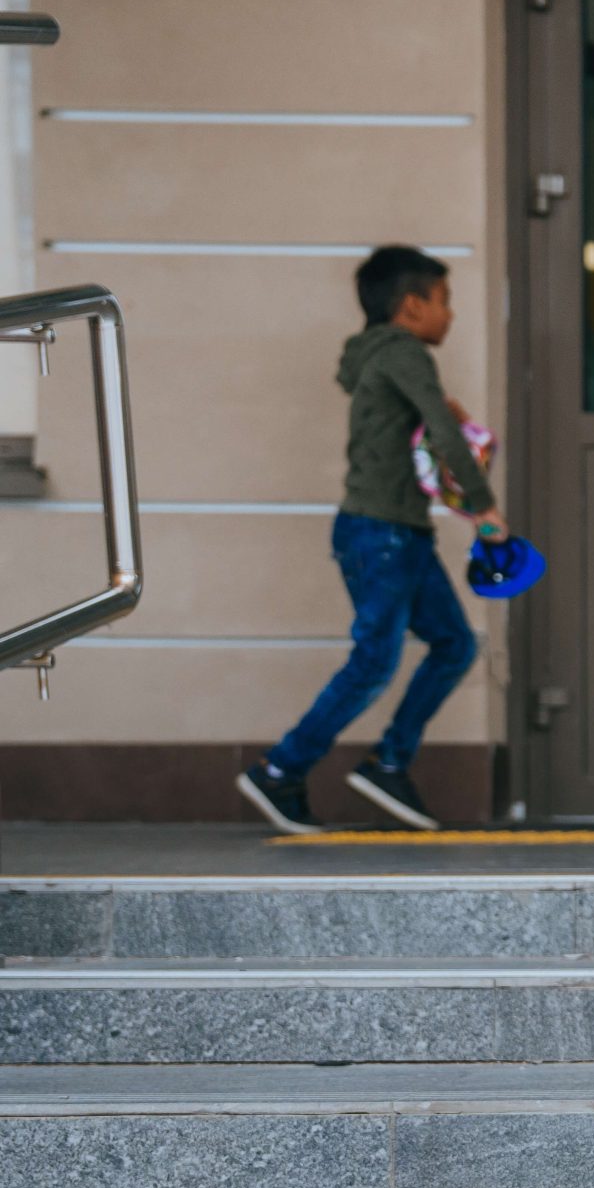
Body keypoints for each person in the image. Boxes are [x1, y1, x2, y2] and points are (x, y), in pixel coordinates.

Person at [236, 246, 505, 834]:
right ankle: (280, 769)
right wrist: (485, 509)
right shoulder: (405, 353)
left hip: (399, 532)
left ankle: (389, 762)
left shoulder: (382, 360)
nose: (451, 315)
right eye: (445, 301)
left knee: (455, 644)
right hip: (379, 534)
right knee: (375, 660)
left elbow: (426, 431)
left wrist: (451, 421)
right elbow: (438, 428)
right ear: (411, 306)